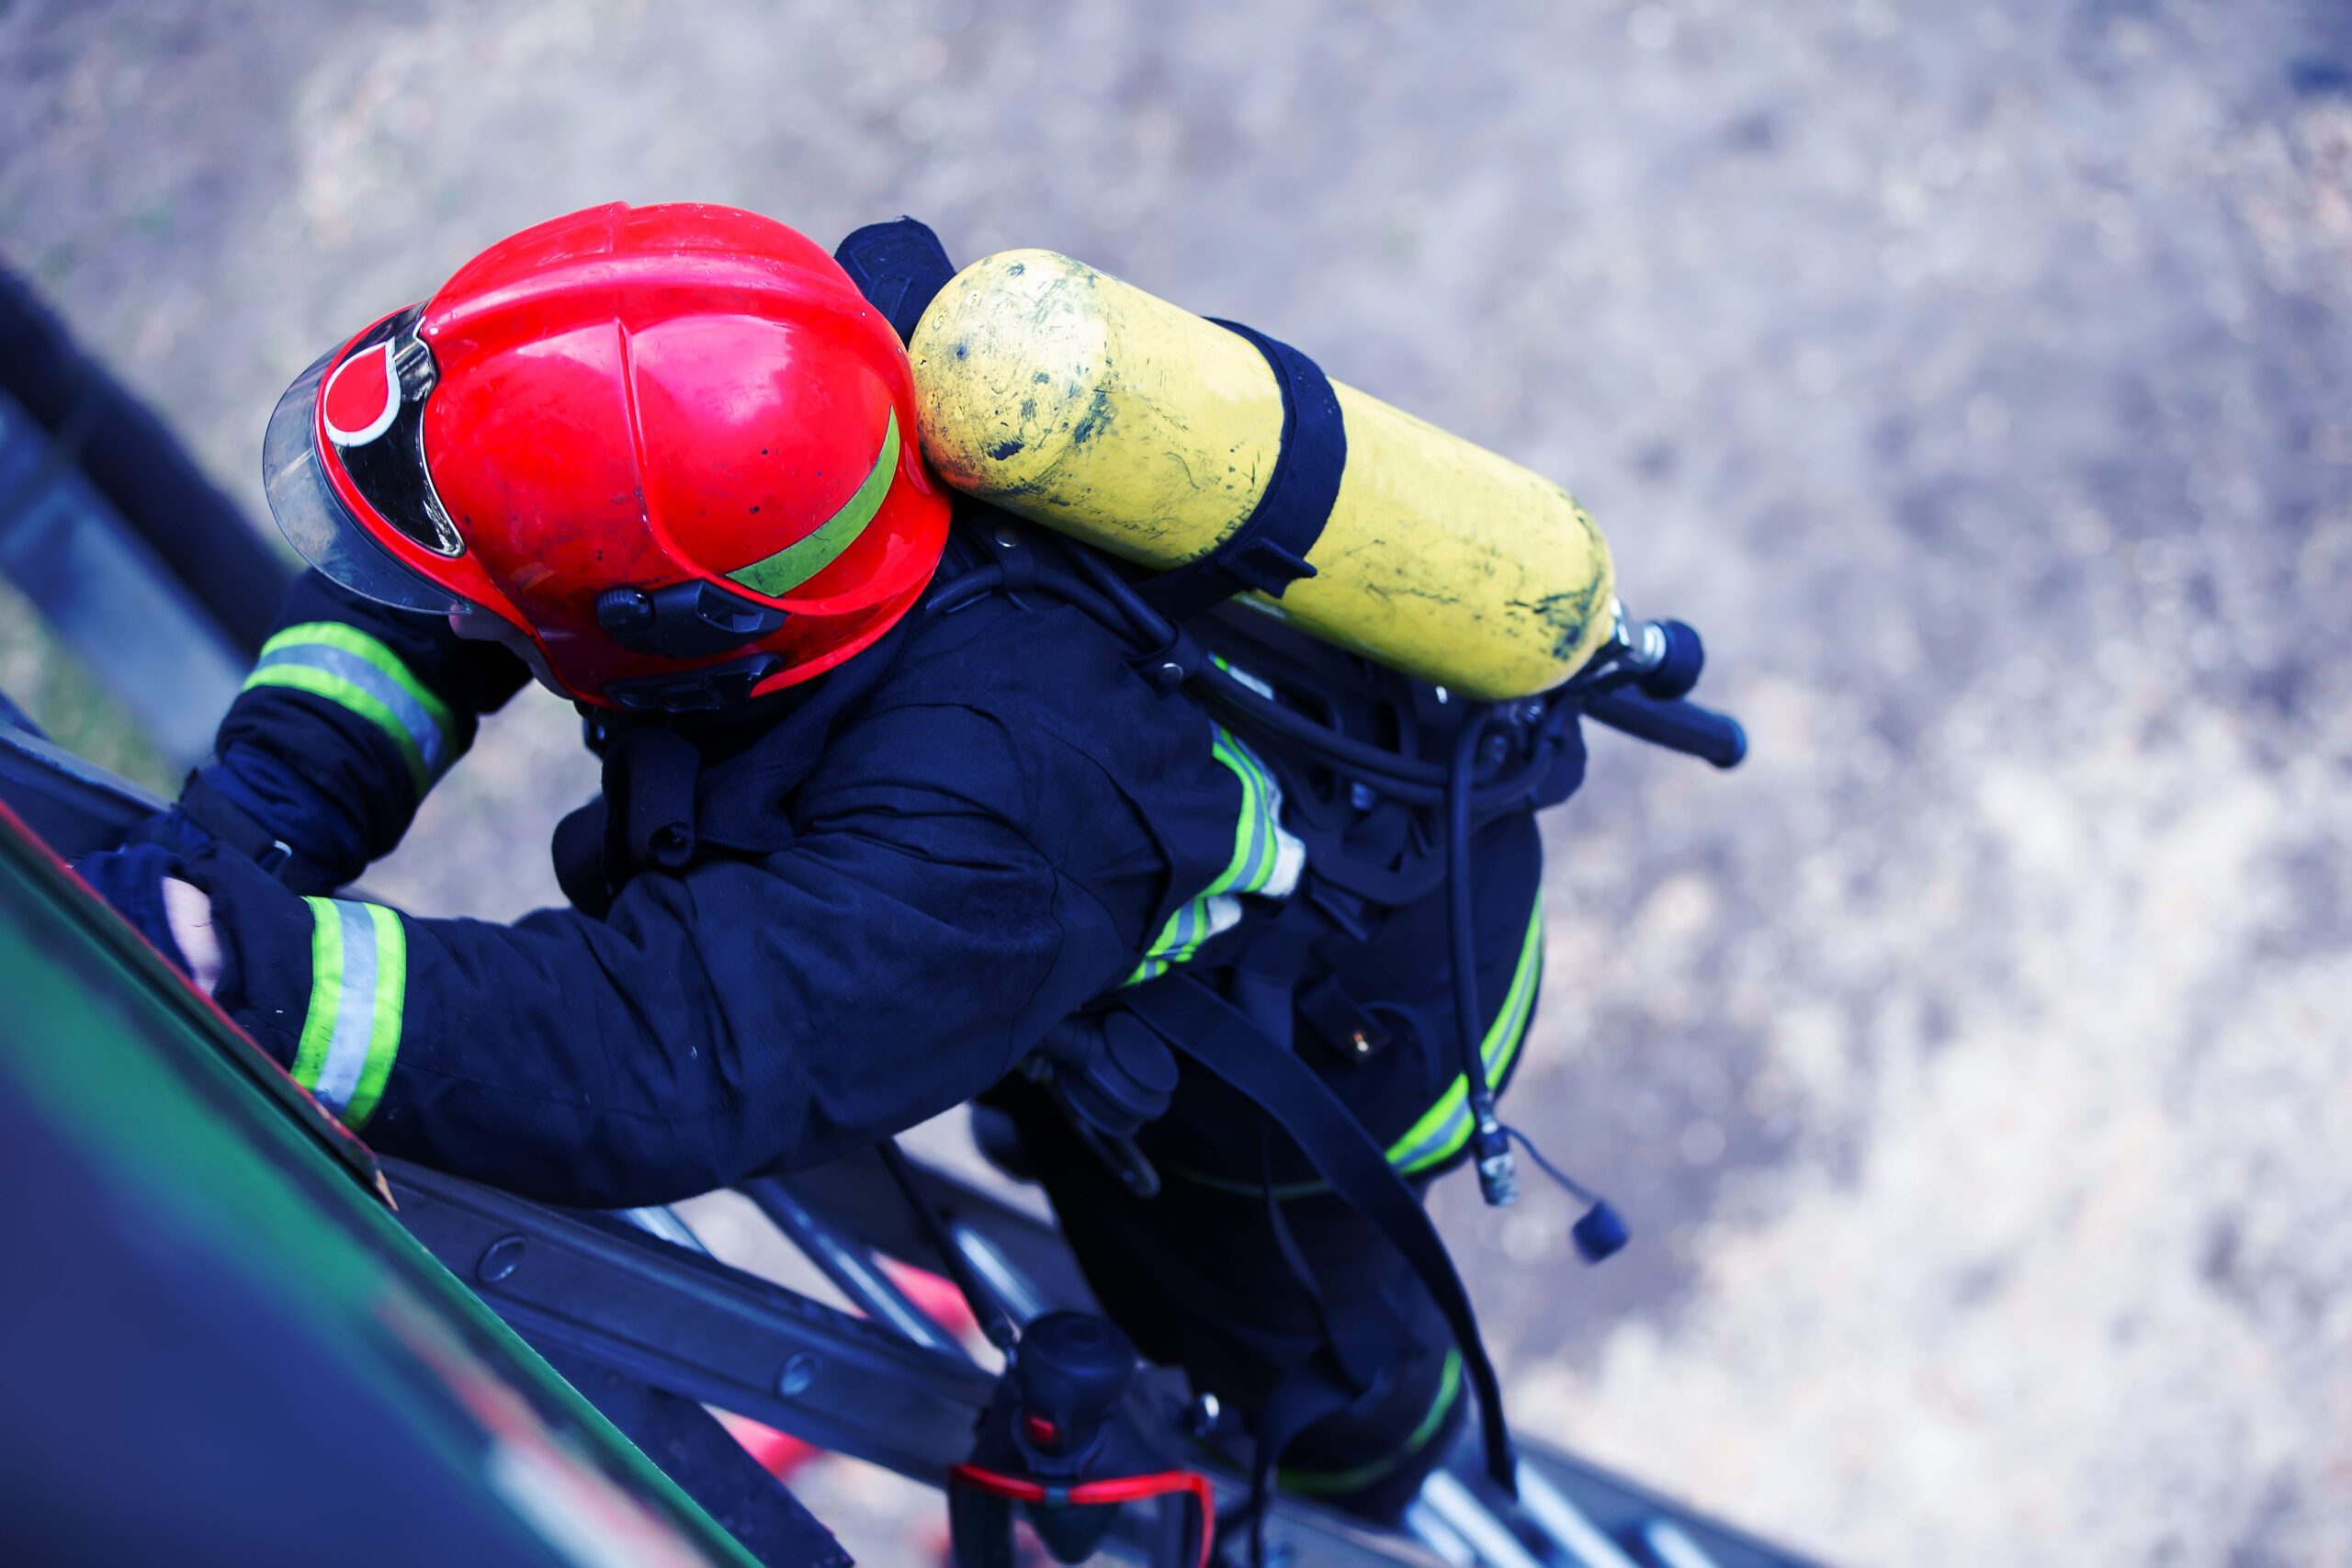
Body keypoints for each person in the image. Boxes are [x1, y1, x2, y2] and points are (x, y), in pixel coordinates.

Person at [75, 202, 1588, 1530]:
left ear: (680, 629)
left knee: (1280, 1345)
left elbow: (676, 1051)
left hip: (1335, 1047)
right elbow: (441, 571)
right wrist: (247, 833)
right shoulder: (765, 400)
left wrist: (262, 975)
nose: (454, 617)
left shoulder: (985, 812)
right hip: (1071, 905)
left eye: (512, 608)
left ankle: (1382, 1478)